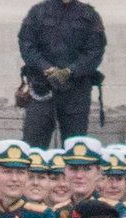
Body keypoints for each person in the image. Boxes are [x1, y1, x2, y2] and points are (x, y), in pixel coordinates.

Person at [17, 0, 107, 148]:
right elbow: (26, 45)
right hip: (42, 89)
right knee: (33, 149)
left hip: (76, 92)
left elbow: (95, 51)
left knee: (75, 148)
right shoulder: (38, 12)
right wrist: (46, 68)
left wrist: (70, 71)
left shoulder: (89, 16)